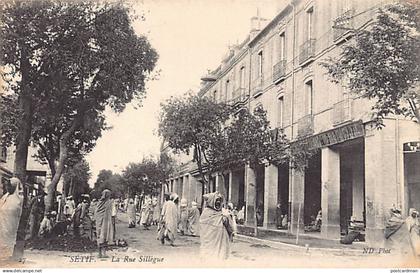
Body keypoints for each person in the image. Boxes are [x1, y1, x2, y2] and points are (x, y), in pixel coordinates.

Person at [199, 191, 234, 260]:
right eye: (216, 200)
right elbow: (203, 227)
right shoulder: (205, 213)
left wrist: (226, 219)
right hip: (209, 242)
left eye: (219, 201)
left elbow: (230, 227)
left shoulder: (223, 213)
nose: (218, 203)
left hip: (220, 242)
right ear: (212, 202)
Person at [0, 177, 23, 260]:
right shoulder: (5, 196)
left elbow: (15, 210)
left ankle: (8, 254)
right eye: (7, 186)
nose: (8, 188)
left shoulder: (18, 199)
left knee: (8, 238)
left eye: (10, 186)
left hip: (11, 223)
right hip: (2, 222)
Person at [95, 189, 114, 258]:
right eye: (108, 194)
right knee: (100, 236)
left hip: (106, 222)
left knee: (105, 236)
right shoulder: (100, 202)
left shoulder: (109, 202)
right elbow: (97, 212)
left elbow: (111, 212)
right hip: (100, 222)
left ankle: (104, 253)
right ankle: (99, 253)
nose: (109, 196)